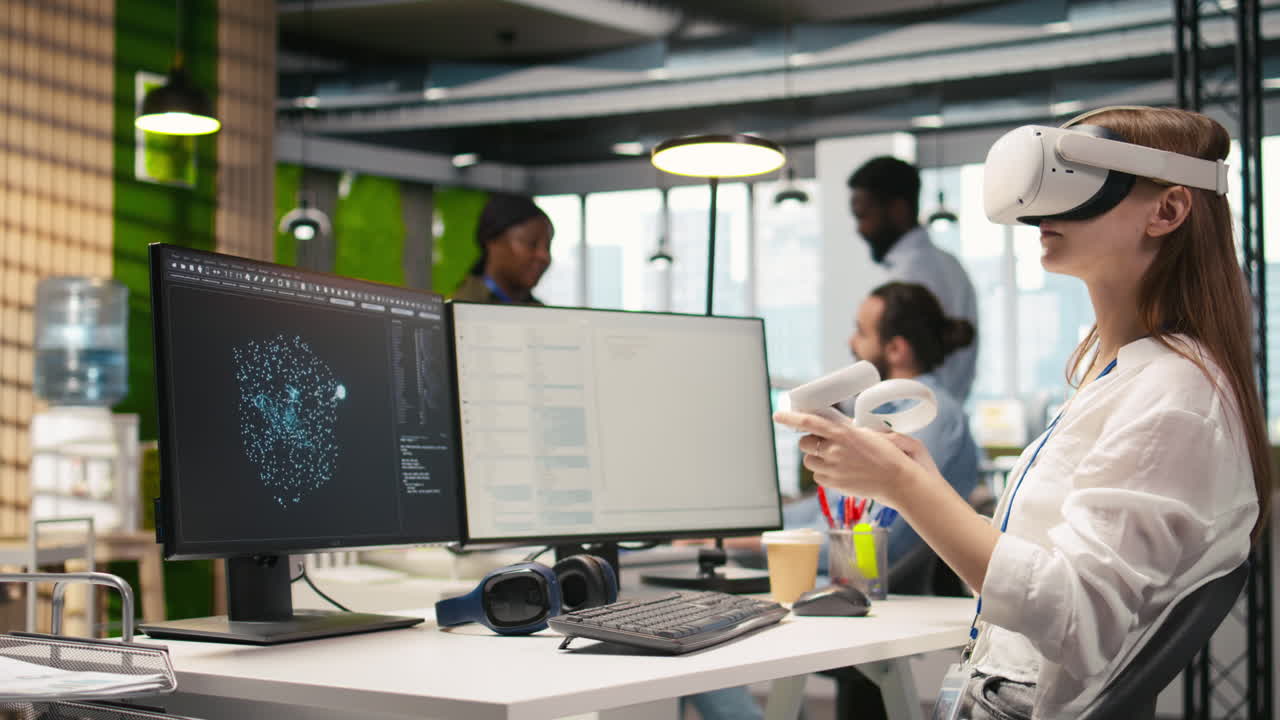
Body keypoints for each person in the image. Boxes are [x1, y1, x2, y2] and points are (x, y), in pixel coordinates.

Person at [778, 106, 1269, 719]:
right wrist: (918, 480)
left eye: (1082, 179)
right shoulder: (1119, 376)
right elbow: (1034, 572)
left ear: (1166, 211)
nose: (1044, 209)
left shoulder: (1175, 397)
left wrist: (901, 486)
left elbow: (1071, 614)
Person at [688, 281, 980, 720]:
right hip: (855, 598)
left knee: (707, 635)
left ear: (896, 349)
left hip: (878, 597)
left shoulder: (930, 414)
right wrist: (747, 525)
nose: (851, 342)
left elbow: (882, 536)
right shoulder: (888, 411)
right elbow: (830, 506)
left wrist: (754, 540)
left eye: (860, 332)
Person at [849, 157, 979, 401]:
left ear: (898, 210)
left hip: (917, 413)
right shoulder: (950, 265)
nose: (860, 229)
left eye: (863, 215)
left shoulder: (910, 276)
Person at [451, 192, 552, 305]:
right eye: (531, 243)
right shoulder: (461, 309)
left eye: (548, 247)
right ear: (492, 241)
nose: (544, 256)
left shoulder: (541, 312)